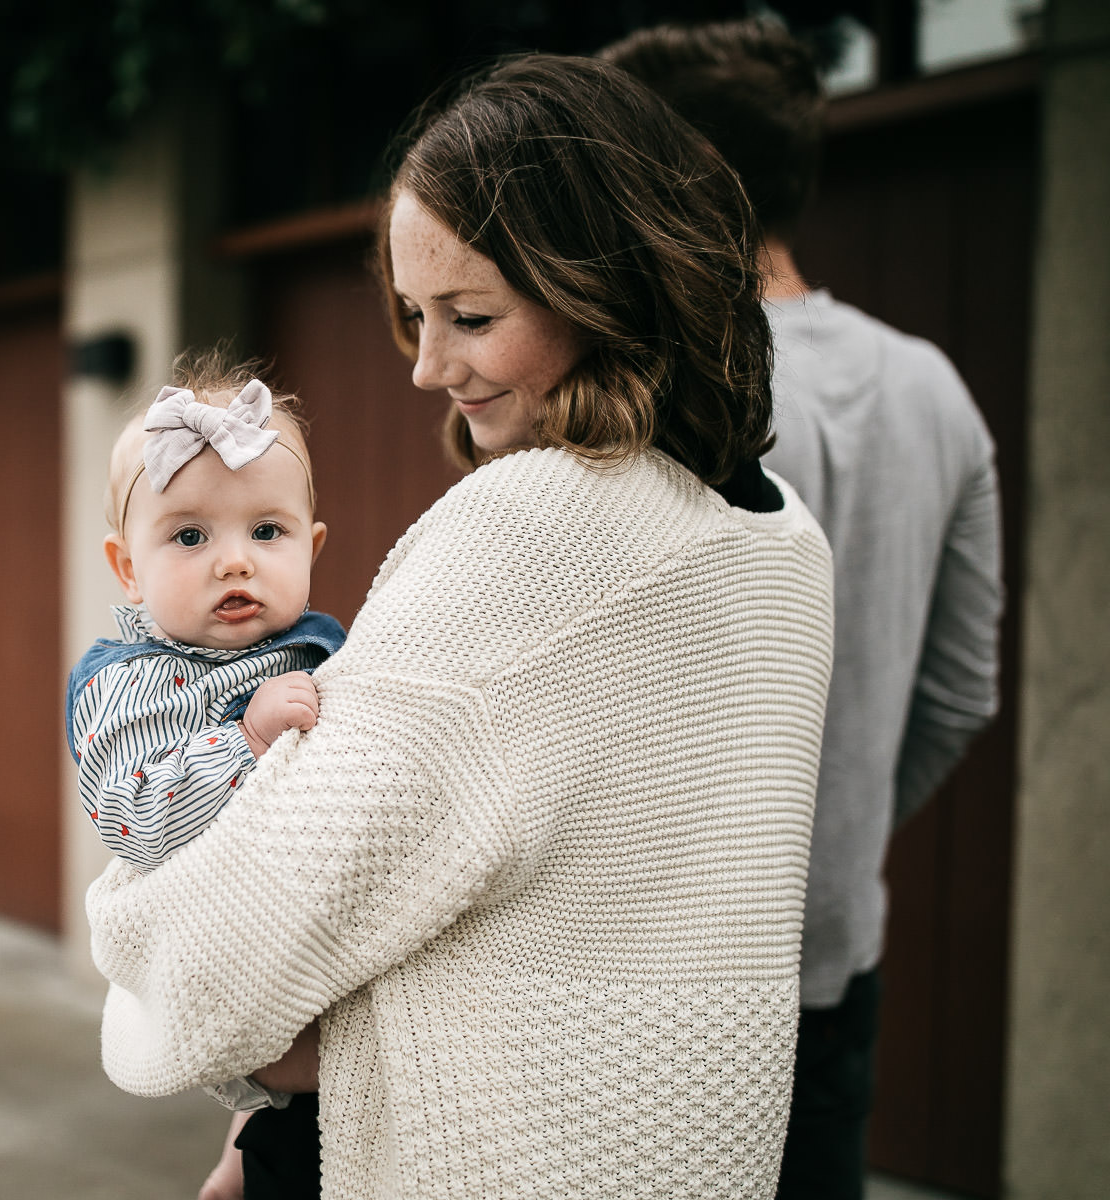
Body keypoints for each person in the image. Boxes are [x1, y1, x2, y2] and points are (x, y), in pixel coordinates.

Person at [87, 53, 836, 1199]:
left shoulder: (530, 533)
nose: (430, 367)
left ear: (605, 284)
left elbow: (244, 944)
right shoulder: (785, 543)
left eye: (470, 316)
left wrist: (123, 911)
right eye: (413, 316)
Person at [601, 22, 1003, 1200]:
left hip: (650, 986)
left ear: (672, 181)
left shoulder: (649, 385)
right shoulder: (935, 390)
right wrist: (833, 829)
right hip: (836, 961)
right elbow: (962, 692)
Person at [67, 356, 344, 1134]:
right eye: (190, 535)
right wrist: (247, 736)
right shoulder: (132, 684)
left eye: (267, 531)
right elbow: (136, 817)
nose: (235, 558)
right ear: (128, 567)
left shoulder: (321, 648)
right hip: (224, 958)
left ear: (311, 548)